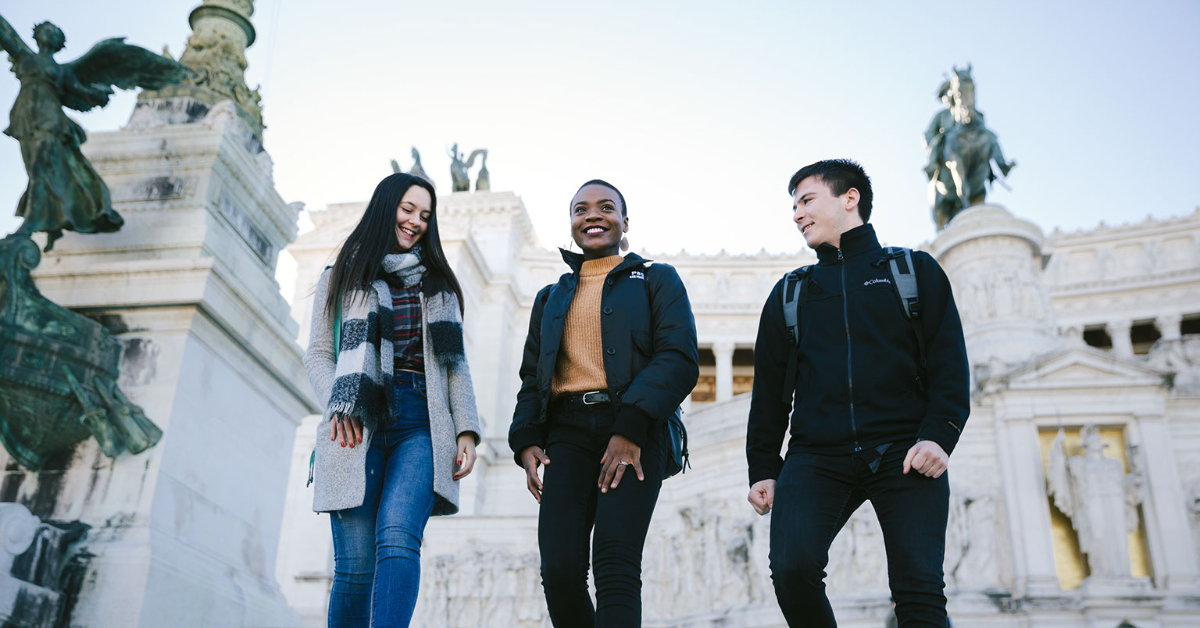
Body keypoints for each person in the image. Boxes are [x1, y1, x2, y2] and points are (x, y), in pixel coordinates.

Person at [745, 160, 969, 627]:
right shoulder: (790, 293)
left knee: (919, 589)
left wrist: (938, 437)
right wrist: (764, 468)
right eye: (793, 206)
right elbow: (768, 394)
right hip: (816, 456)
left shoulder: (913, 270)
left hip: (904, 449)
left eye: (806, 200)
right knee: (791, 569)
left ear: (850, 198)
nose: (796, 214)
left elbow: (949, 363)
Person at [509, 180, 699, 627]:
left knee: (615, 564)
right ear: (572, 224)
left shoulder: (657, 278)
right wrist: (525, 439)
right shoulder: (548, 297)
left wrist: (631, 426)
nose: (592, 215)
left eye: (605, 207)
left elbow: (679, 357)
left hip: (634, 429)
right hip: (567, 433)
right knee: (558, 569)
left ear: (624, 222)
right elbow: (531, 377)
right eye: (580, 209)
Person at [304, 172, 481, 627]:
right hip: (357, 420)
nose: (416, 221)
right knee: (356, 568)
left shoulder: (439, 286)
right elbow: (319, 356)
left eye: (425, 215)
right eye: (407, 209)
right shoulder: (340, 277)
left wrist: (466, 429)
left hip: (422, 420)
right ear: (387, 207)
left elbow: (454, 365)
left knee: (399, 536)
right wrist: (339, 404)